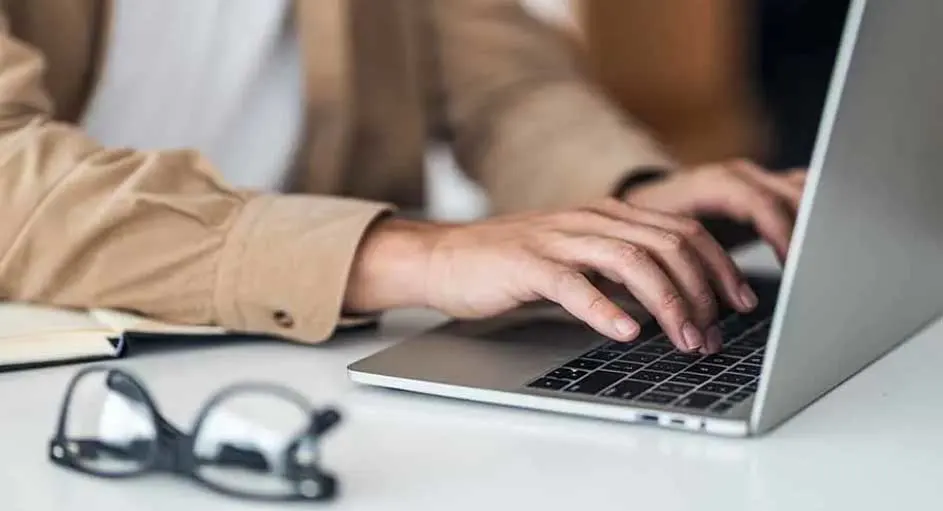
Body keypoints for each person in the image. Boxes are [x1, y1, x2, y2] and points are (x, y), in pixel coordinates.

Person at [0, 0, 803, 356]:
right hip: (64, 384)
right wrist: (411, 254)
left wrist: (622, 196)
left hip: (310, 352)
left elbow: (502, 79)